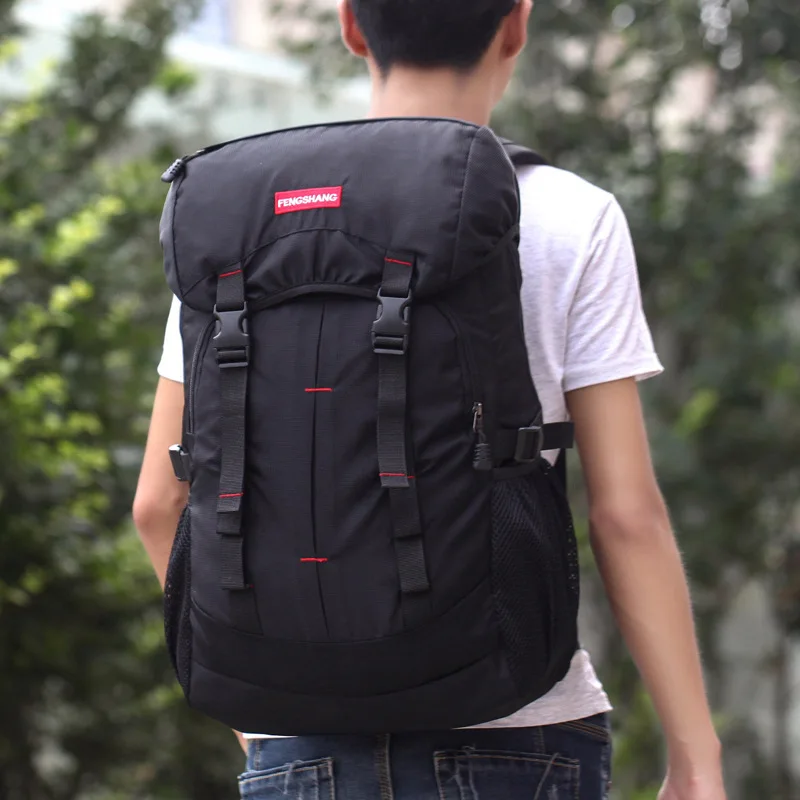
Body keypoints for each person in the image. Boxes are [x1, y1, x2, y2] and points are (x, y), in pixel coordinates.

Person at [133, 1, 727, 798]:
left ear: (351, 24)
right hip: (517, 729)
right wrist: (695, 756)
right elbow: (625, 516)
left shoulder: (238, 220)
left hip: (299, 738)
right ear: (516, 25)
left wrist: (262, 717)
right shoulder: (570, 213)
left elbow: (159, 503)